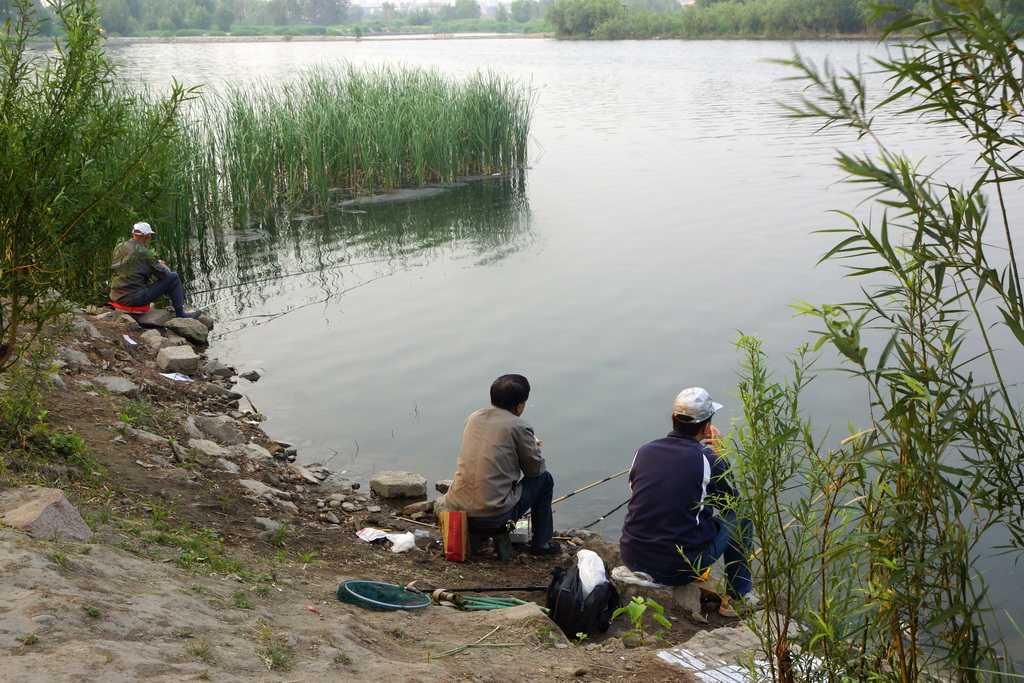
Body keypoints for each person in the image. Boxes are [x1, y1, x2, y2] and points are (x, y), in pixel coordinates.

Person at [619, 387, 760, 613]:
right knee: (741, 516)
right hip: (677, 569)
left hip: (632, 558)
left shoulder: (643, 452)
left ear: (673, 418)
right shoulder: (709, 460)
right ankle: (739, 597)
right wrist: (721, 453)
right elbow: (730, 505)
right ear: (706, 428)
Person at [444, 374, 561, 556]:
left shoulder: (473, 417)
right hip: (493, 519)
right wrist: (534, 452)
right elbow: (534, 471)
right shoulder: (520, 426)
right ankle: (542, 544)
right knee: (545, 479)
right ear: (520, 405)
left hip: (456, 511)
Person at [109, 222, 200, 319]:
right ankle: (181, 314)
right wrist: (160, 264)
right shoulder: (145, 253)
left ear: (132, 233)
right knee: (174, 277)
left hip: (116, 296)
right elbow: (165, 274)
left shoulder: (119, 246)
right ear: (148, 236)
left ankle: (180, 300)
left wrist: (154, 263)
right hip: (134, 300)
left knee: (172, 280)